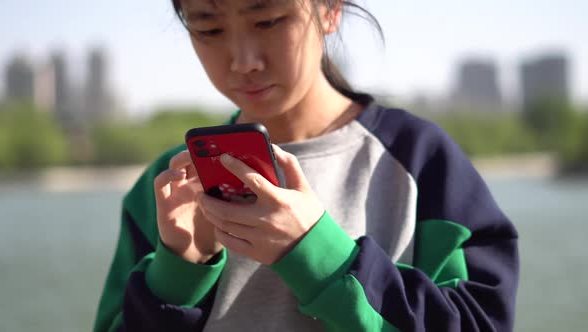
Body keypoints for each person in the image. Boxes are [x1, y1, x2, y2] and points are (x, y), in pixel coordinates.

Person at [94, 0, 519, 331]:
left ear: (330, 10)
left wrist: (315, 252)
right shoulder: (169, 184)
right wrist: (180, 268)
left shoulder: (420, 160)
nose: (243, 60)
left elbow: (479, 321)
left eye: (267, 21)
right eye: (209, 27)